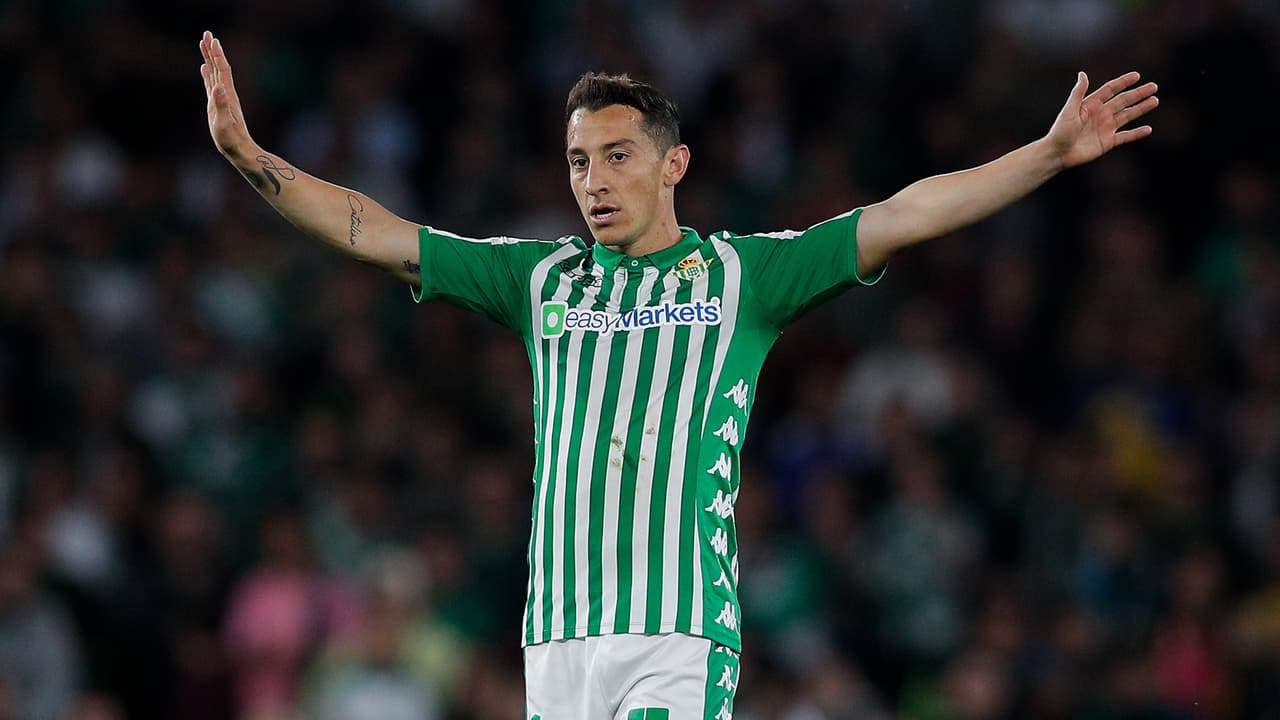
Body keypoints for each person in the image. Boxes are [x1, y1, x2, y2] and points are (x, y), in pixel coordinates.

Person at [199, 29, 1157, 719]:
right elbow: (378, 233)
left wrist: (1045, 155)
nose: (594, 181)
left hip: (678, 630)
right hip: (556, 639)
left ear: (674, 166)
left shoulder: (744, 276)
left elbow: (905, 215)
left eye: (618, 156)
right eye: (578, 161)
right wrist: (249, 156)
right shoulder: (541, 282)